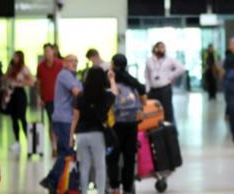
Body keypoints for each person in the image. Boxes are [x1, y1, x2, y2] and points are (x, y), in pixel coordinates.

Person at [40, 54, 83, 194]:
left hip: (66, 119)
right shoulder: (64, 75)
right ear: (64, 63)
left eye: (76, 61)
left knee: (64, 152)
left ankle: (56, 181)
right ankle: (53, 180)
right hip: (63, 119)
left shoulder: (73, 76)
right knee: (67, 151)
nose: (74, 63)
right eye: (71, 61)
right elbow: (77, 92)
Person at [70, 67, 117, 194]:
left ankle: (84, 191)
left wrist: (71, 138)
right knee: (100, 166)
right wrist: (112, 79)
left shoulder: (80, 96)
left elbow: (75, 118)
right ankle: (100, 192)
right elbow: (115, 92)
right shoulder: (105, 95)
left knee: (84, 166)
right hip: (97, 134)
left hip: (81, 135)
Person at [107, 53, 148, 194]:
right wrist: (140, 110)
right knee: (129, 157)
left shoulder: (109, 80)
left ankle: (114, 186)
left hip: (115, 124)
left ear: (113, 64)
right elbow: (143, 98)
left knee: (113, 156)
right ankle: (128, 187)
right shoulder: (132, 81)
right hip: (132, 123)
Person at [144, 42, 185, 124]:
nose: (162, 49)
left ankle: (169, 131)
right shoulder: (149, 60)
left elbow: (181, 68)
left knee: (167, 110)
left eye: (163, 47)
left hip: (165, 89)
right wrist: (147, 88)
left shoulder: (169, 59)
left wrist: (170, 76)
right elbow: (147, 75)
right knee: (153, 110)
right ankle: (155, 132)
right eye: (160, 47)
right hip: (153, 90)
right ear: (155, 48)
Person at [4, 50, 35, 155]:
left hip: (20, 94)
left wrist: (20, 82)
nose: (14, 58)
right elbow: (5, 78)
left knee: (22, 118)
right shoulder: (11, 68)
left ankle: (29, 141)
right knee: (13, 119)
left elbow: (32, 81)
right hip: (11, 94)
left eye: (16, 57)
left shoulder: (24, 69)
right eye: (14, 57)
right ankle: (17, 141)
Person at [36, 43, 63, 156]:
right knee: (52, 123)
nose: (46, 53)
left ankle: (62, 145)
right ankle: (54, 147)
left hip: (61, 100)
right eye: (45, 51)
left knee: (61, 123)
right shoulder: (40, 66)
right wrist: (39, 97)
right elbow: (38, 83)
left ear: (53, 52)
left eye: (48, 51)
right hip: (48, 99)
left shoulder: (60, 64)